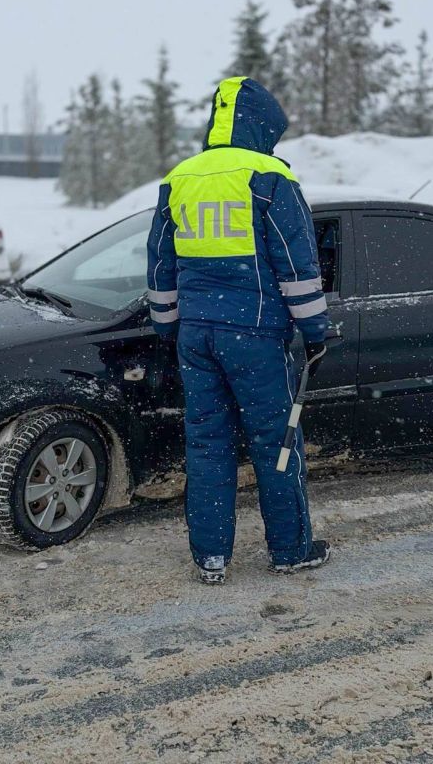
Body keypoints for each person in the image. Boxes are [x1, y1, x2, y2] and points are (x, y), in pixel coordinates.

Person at [146, 76, 331, 585]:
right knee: (276, 442)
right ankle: (291, 550)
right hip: (252, 335)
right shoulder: (269, 175)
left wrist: (167, 326)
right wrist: (314, 328)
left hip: (196, 336)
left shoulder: (179, 178)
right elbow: (295, 261)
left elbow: (161, 262)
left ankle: (211, 557)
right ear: (263, 124)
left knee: (206, 443)